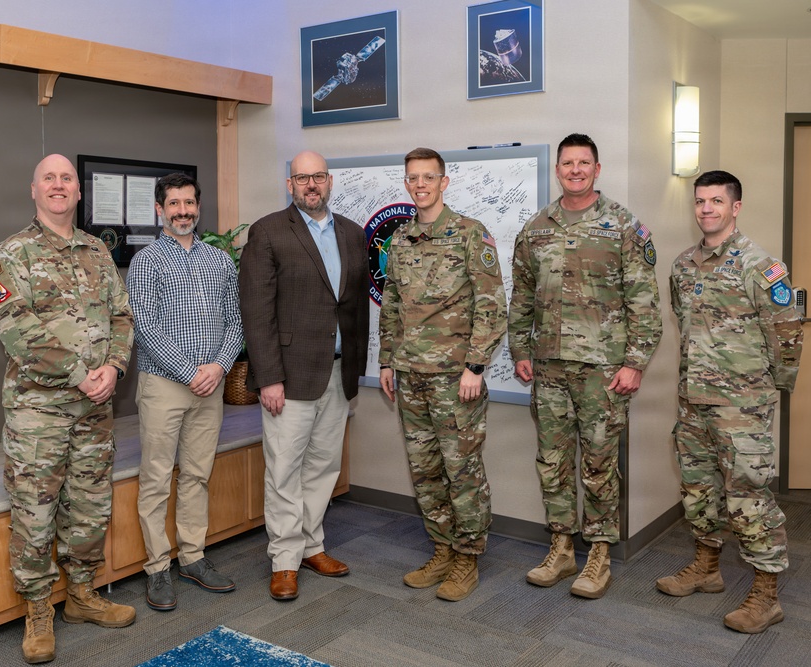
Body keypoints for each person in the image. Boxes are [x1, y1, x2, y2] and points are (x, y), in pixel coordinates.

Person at [0, 154, 135, 664]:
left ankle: (81, 595)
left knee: (90, 505)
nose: (58, 185)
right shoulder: (13, 254)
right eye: (48, 178)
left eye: (66, 178)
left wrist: (113, 369)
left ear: (76, 191)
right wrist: (80, 375)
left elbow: (121, 317)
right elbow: (18, 333)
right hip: (39, 413)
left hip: (95, 410)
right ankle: (37, 609)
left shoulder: (97, 251)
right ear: (34, 190)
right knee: (35, 511)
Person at [507, 133, 662, 599]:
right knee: (552, 462)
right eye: (567, 163)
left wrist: (635, 362)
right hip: (549, 368)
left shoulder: (622, 226)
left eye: (584, 163)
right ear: (557, 170)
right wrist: (519, 351)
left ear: (598, 168)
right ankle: (560, 548)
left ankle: (598, 554)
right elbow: (522, 298)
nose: (575, 170)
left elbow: (645, 302)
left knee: (598, 464)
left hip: (603, 369)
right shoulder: (536, 228)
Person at [655, 170, 802, 634]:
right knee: (698, 492)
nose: (706, 210)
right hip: (693, 402)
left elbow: (788, 334)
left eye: (716, 201)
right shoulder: (682, 265)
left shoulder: (760, 265)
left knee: (749, 499)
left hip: (742, 407)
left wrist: (765, 390)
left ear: (735, 207)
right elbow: (685, 324)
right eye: (700, 202)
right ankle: (707, 567)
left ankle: (766, 594)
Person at [239, 150, 369, 601]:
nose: (311, 184)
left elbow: (355, 311)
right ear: (289, 185)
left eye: (318, 176)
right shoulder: (269, 231)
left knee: (323, 466)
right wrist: (268, 377)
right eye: (302, 178)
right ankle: (285, 560)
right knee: (284, 472)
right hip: (289, 378)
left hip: (337, 373)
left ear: (329, 181)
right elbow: (256, 313)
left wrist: (358, 370)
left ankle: (312, 545)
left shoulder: (353, 234)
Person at [378, 147, 507, 602]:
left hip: (456, 378)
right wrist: (387, 359)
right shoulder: (401, 238)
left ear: (444, 182)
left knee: (462, 470)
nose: (420, 185)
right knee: (426, 471)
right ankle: (442, 550)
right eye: (413, 178)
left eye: (428, 177)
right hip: (410, 375)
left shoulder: (471, 234)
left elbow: (492, 305)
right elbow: (392, 305)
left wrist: (475, 366)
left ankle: (467, 559)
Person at [127, 173, 242, 612]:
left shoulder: (220, 261)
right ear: (160, 209)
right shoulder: (147, 262)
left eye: (189, 203)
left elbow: (237, 321)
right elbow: (146, 329)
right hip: (164, 386)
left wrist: (218, 366)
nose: (182, 211)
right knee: (156, 479)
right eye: (173, 204)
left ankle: (192, 557)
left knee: (197, 475)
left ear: (198, 207)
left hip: (209, 387)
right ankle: (157, 568)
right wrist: (189, 371)